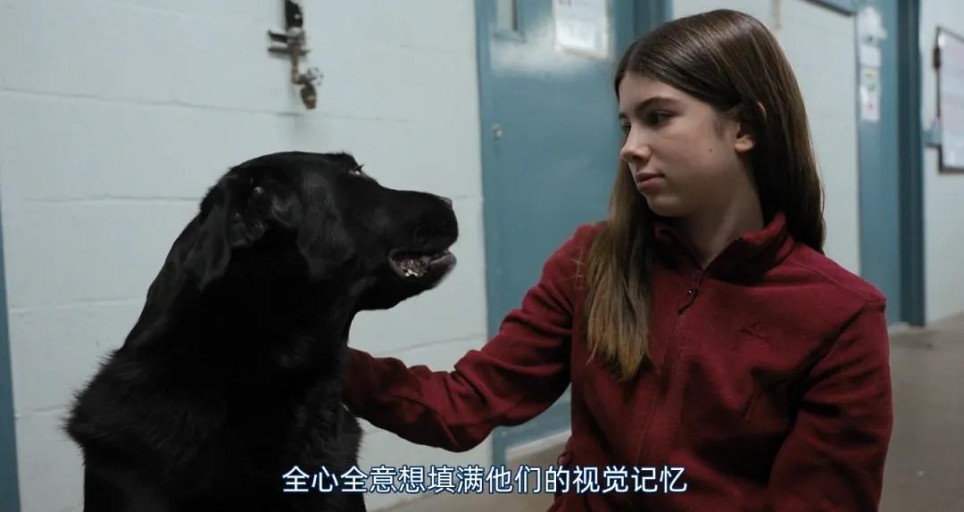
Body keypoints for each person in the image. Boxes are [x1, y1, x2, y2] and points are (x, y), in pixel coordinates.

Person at [343, 9, 893, 511]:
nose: (630, 147)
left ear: (744, 127)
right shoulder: (591, 262)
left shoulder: (839, 317)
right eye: (627, 124)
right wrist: (319, 357)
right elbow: (464, 405)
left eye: (659, 117)